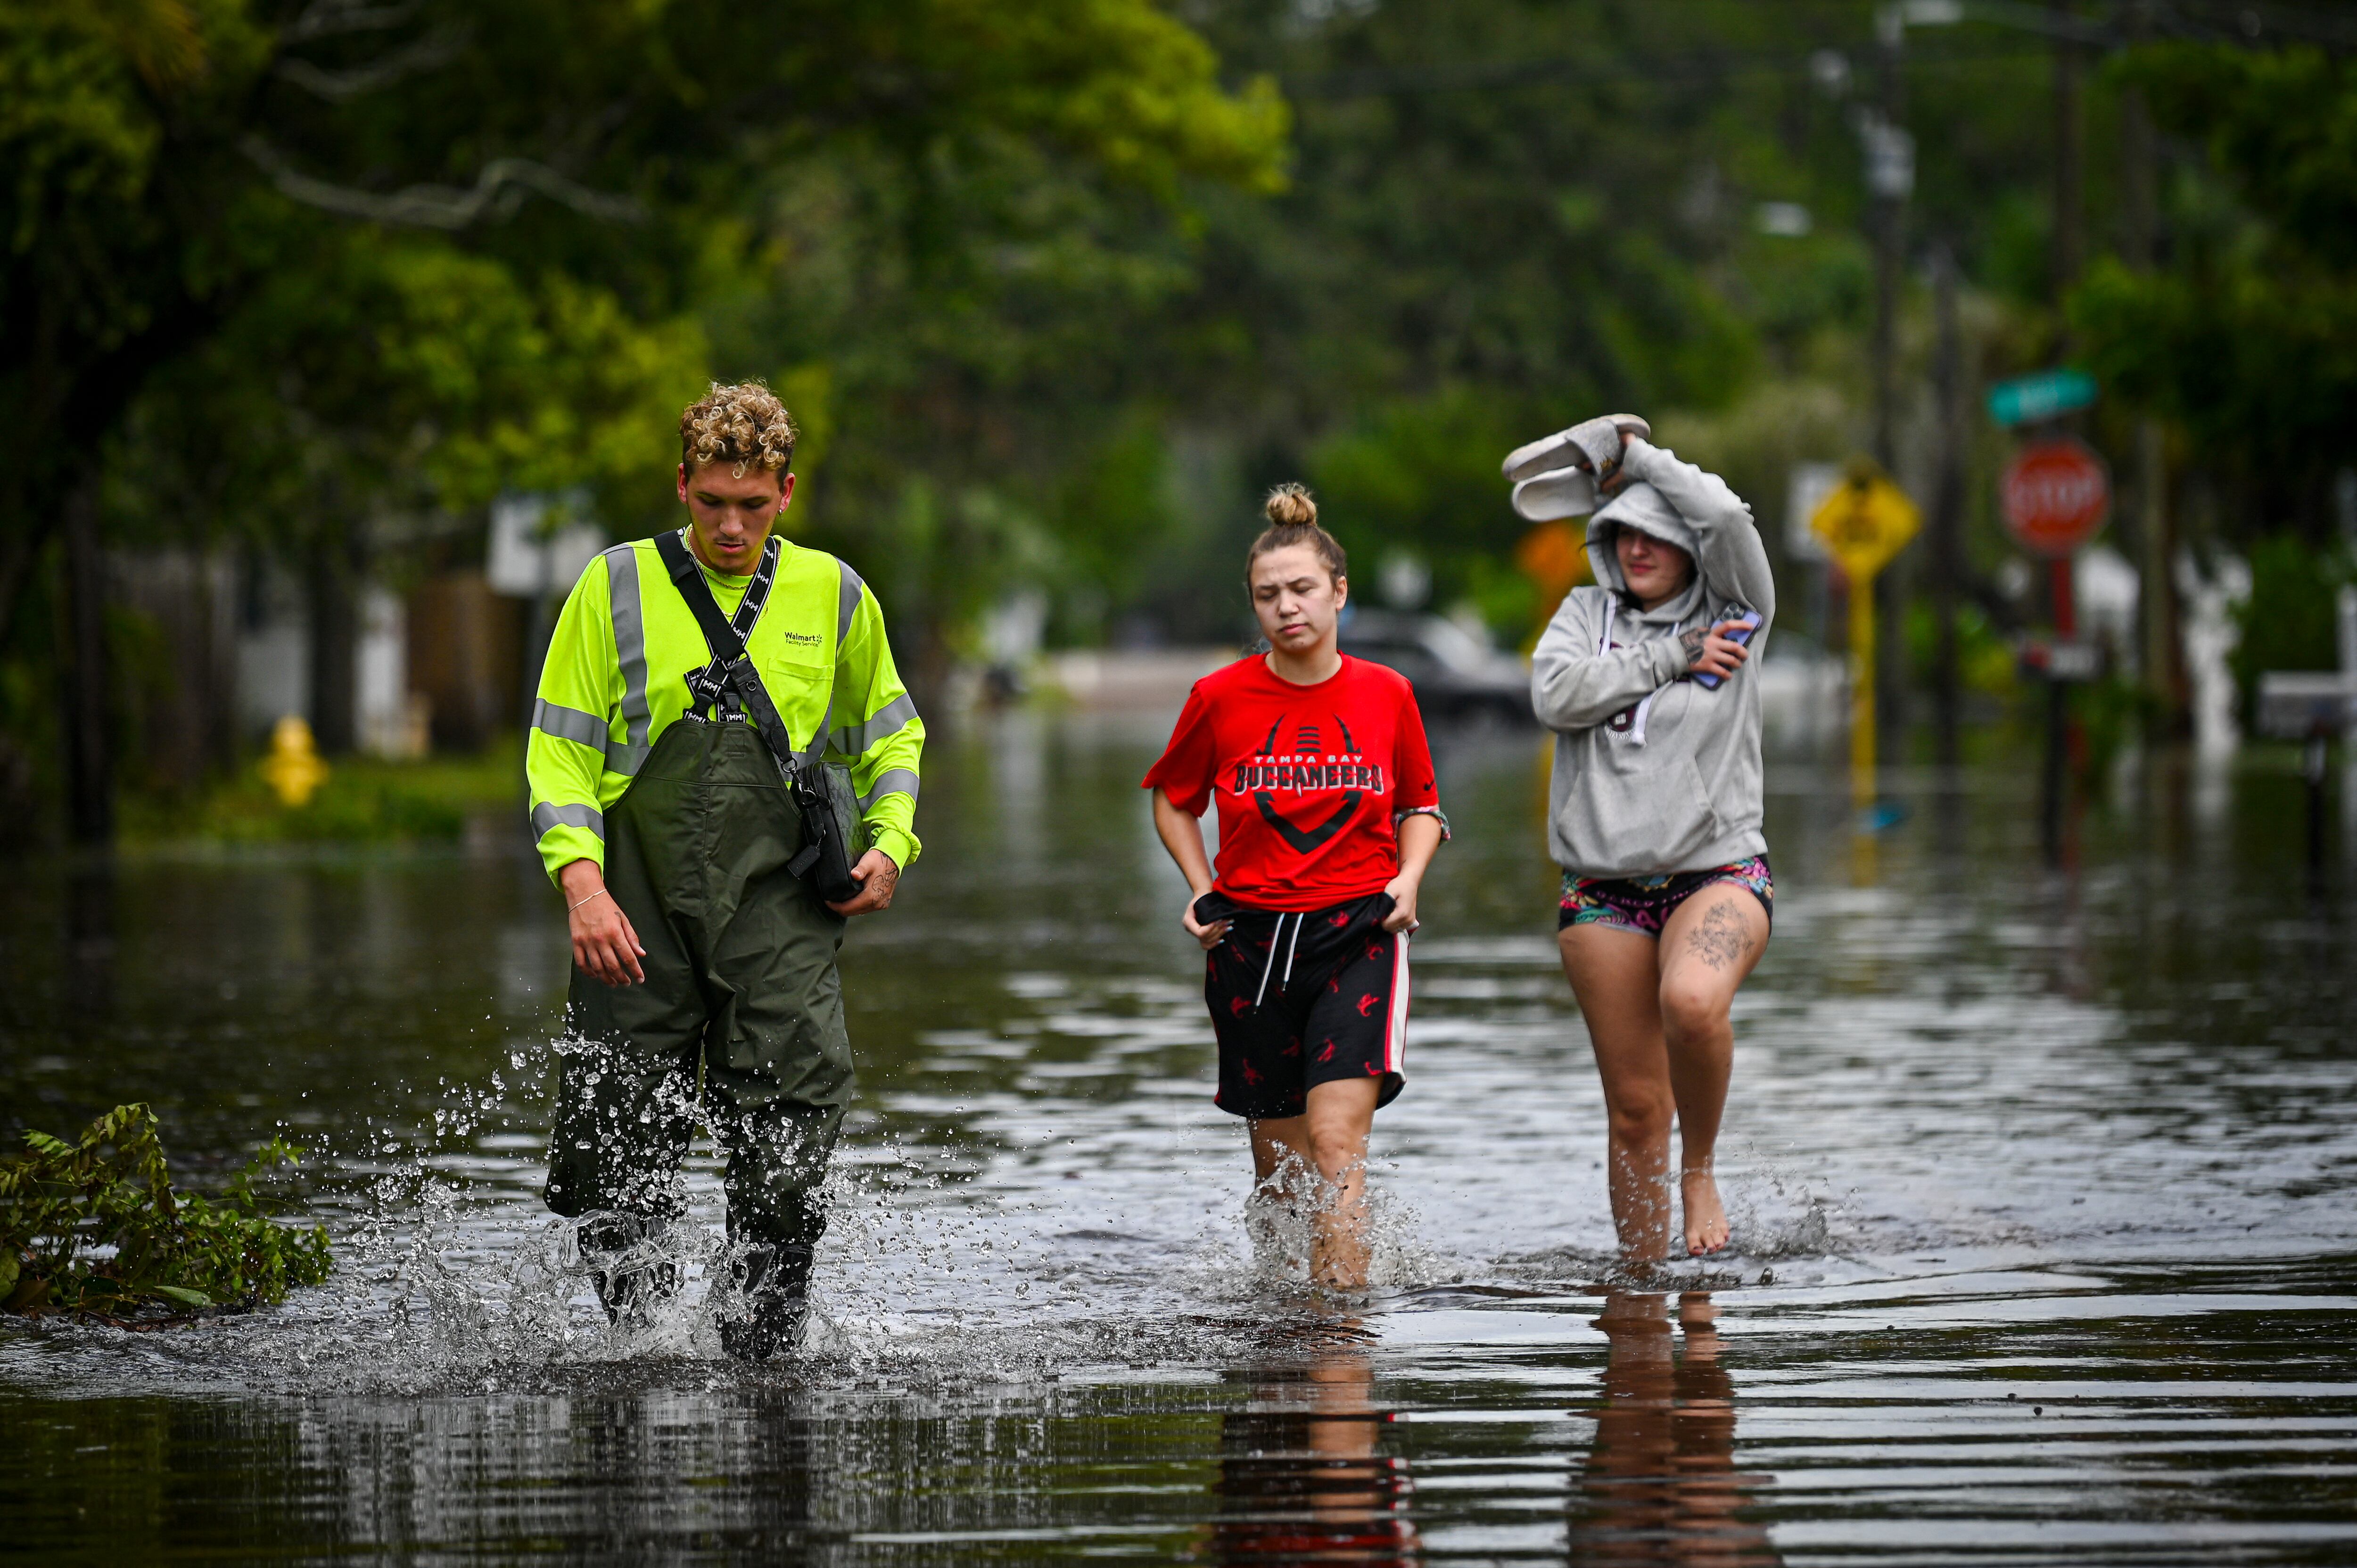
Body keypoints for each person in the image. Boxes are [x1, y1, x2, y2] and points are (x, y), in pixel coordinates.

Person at [526, 382, 923, 1358]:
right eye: (711, 503)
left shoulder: (836, 594)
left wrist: (890, 841)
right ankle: (645, 1351)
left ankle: (763, 1354)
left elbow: (892, 736)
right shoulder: (611, 585)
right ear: (682, 485)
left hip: (777, 909)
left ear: (786, 491)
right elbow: (559, 750)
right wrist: (582, 884)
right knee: (613, 1147)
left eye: (752, 504)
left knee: (787, 1145)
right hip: (635, 911)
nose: (731, 525)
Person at [1143, 484, 1446, 1290]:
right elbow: (1174, 799)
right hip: (1252, 946)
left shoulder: (1388, 693)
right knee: (1281, 1171)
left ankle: (1338, 1340)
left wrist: (1410, 878)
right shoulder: (1220, 697)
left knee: (1338, 1140)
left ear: (1339, 592)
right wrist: (1202, 887)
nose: (1287, 607)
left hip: (1360, 935)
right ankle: (1285, 1324)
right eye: (1268, 595)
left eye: (1303, 589)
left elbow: (1420, 805)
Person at [1527, 417, 1774, 1265]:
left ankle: (1699, 1170)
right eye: (1623, 530)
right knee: (1635, 1109)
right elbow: (1556, 696)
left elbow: (1729, 520)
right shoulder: (1584, 612)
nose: (1638, 547)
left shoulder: (1737, 611)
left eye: (1658, 533)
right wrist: (1672, 657)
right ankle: (1641, 1292)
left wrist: (1637, 459)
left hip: (1716, 868)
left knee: (1694, 1004)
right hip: (1602, 887)